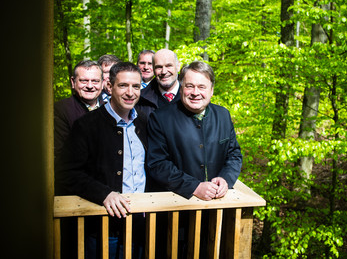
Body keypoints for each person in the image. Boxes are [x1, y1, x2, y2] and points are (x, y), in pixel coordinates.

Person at [146, 61, 242, 258]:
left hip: (217, 216)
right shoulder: (161, 118)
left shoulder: (223, 115)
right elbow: (158, 164)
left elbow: (234, 154)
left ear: (212, 90)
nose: (195, 92)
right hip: (176, 218)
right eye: (189, 86)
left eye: (201, 87)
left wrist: (225, 179)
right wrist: (194, 187)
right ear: (182, 86)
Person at [56, 62, 148, 259]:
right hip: (103, 229)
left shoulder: (144, 123)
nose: (130, 92)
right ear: (109, 87)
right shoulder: (86, 125)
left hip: (140, 227)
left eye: (136, 86)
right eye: (123, 85)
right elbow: (66, 172)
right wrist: (104, 193)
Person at [54, 60, 104, 158]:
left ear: (102, 83)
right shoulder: (61, 109)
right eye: (84, 81)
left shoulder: (110, 109)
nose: (90, 86)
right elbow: (61, 153)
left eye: (95, 81)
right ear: (73, 82)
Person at [135, 48, 181, 118]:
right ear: (153, 69)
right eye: (159, 67)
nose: (164, 72)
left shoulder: (192, 95)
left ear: (178, 66)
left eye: (168, 66)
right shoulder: (140, 99)